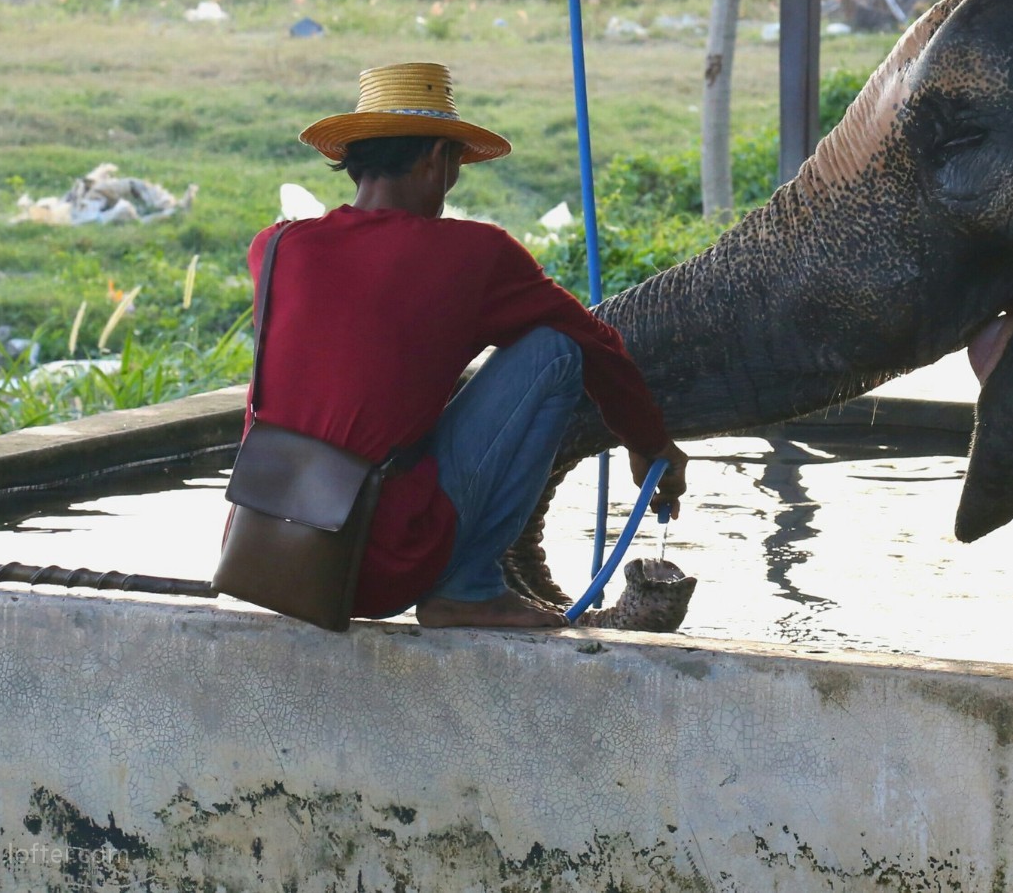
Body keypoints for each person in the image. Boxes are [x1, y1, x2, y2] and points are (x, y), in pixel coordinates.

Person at [242, 61, 688, 629]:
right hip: (384, 563)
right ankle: (469, 588)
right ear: (435, 161)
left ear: (354, 159)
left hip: (273, 555)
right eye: (454, 161)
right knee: (555, 351)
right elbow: (595, 345)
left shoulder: (275, 248)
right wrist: (652, 447)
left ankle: (464, 581)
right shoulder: (474, 255)